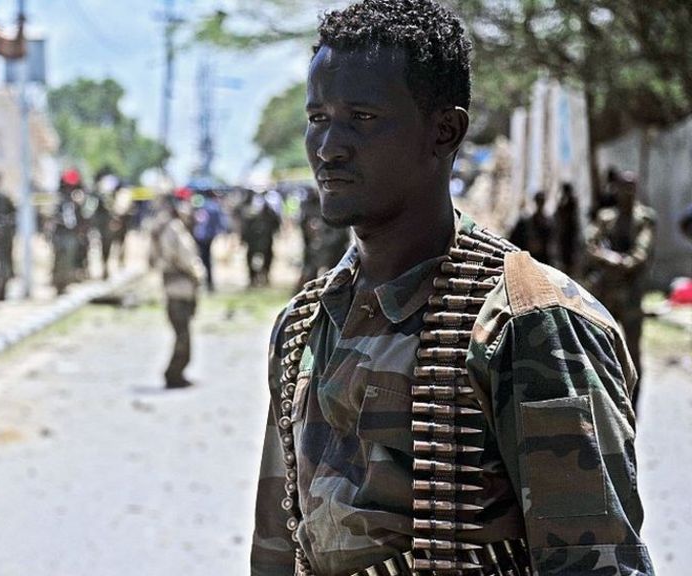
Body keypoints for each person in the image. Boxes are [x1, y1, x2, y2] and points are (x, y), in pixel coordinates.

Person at [251, 2, 654, 575]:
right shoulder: (301, 326)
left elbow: (596, 563)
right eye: (318, 118)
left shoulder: (528, 323)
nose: (328, 147)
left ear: (445, 131)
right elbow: (277, 545)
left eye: (362, 117)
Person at [586, 171, 656, 410]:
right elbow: (590, 244)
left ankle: (632, 405)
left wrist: (622, 263)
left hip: (631, 296)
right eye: (623, 187)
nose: (627, 192)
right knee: (601, 350)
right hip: (607, 295)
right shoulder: (606, 219)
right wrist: (609, 258)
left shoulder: (644, 219)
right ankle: (608, 403)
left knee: (633, 353)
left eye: (631, 187)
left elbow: (641, 254)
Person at [153, 198, 204, 389]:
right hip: (180, 289)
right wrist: (198, 275)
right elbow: (187, 259)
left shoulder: (164, 228)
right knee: (183, 336)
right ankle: (173, 374)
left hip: (175, 288)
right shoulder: (174, 229)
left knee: (182, 333)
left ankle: (176, 374)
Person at [241, 189, 282, 287]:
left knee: (268, 255)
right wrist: (243, 237)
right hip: (253, 238)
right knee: (250, 256)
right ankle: (252, 277)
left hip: (266, 237)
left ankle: (265, 275)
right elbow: (245, 224)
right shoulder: (249, 207)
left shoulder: (270, 207)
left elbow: (276, 222)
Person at [192, 189, 228, 292]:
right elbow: (221, 223)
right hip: (208, 237)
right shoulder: (214, 207)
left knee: (200, 259)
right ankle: (208, 283)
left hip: (199, 236)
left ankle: (204, 282)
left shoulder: (200, 205)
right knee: (206, 260)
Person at [507, 190, 554, 264]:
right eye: (539, 201)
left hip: (541, 260)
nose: (540, 204)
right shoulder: (525, 222)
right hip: (526, 258)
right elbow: (514, 239)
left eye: (542, 201)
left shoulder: (547, 224)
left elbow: (550, 244)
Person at [555, 182, 580, 274]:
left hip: (570, 232)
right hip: (565, 233)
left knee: (569, 256)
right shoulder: (565, 201)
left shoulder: (571, 201)